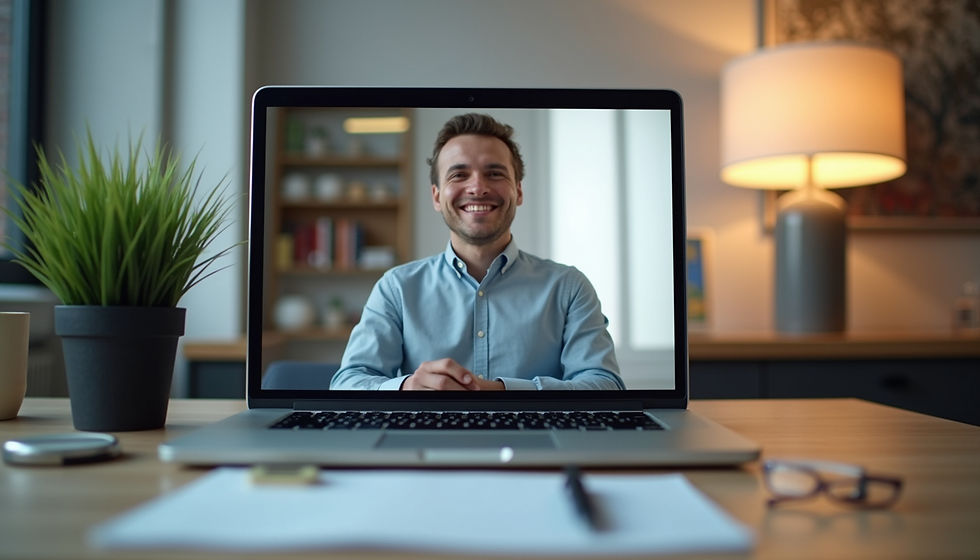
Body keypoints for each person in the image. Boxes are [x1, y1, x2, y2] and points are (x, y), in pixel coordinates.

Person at [329, 113, 624, 391]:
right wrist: (406, 388)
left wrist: (502, 391)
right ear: (436, 196)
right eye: (459, 175)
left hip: (536, 446)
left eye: (494, 173)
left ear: (518, 192)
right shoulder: (396, 288)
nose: (478, 188)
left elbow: (605, 386)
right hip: (424, 444)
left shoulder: (569, 288)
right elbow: (347, 383)